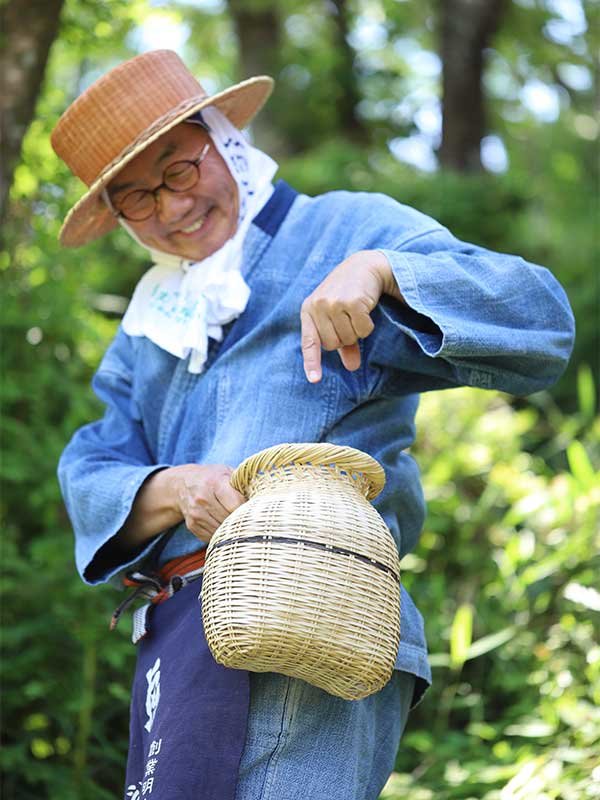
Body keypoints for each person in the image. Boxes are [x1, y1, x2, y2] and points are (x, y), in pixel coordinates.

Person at [52, 50, 575, 800]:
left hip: (321, 605)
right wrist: (172, 489)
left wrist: (383, 273)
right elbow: (92, 463)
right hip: (184, 640)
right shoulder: (150, 322)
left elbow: (540, 319)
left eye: (178, 170)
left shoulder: (345, 230)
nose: (169, 210)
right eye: (135, 198)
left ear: (223, 138)